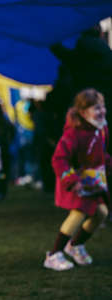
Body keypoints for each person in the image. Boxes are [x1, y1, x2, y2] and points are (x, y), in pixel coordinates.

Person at [44, 89, 110, 271]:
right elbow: (58, 159)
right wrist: (72, 180)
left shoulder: (101, 128)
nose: (102, 111)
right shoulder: (74, 133)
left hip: (92, 182)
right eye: (97, 108)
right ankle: (53, 254)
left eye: (103, 106)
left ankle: (75, 245)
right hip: (76, 182)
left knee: (101, 213)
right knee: (79, 213)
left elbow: (100, 154)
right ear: (83, 112)